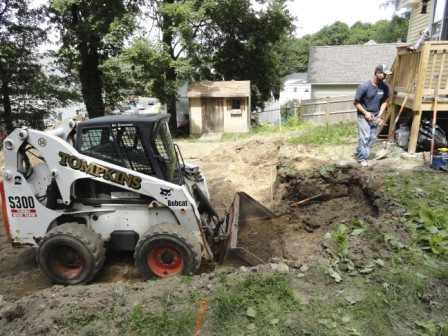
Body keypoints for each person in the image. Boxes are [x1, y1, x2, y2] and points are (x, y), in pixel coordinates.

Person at [354, 64, 391, 167]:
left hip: (375, 116)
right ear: (377, 73)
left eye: (386, 75)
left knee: (372, 138)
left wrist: (379, 115)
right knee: (365, 136)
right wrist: (366, 113)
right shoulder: (364, 86)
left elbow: (384, 102)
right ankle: (362, 158)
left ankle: (359, 151)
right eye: (384, 74)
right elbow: (356, 103)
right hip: (363, 116)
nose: (385, 76)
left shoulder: (385, 87)